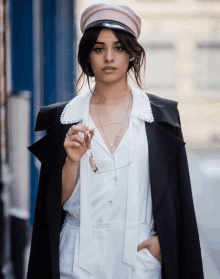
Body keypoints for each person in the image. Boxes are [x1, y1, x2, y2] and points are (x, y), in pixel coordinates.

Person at [27, 3, 204, 279]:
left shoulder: (160, 119)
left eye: (119, 48)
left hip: (139, 263)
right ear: (87, 55)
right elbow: (52, 205)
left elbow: (177, 200)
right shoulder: (64, 119)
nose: (109, 57)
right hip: (76, 263)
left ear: (132, 54)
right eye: (99, 48)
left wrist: (163, 245)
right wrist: (72, 162)